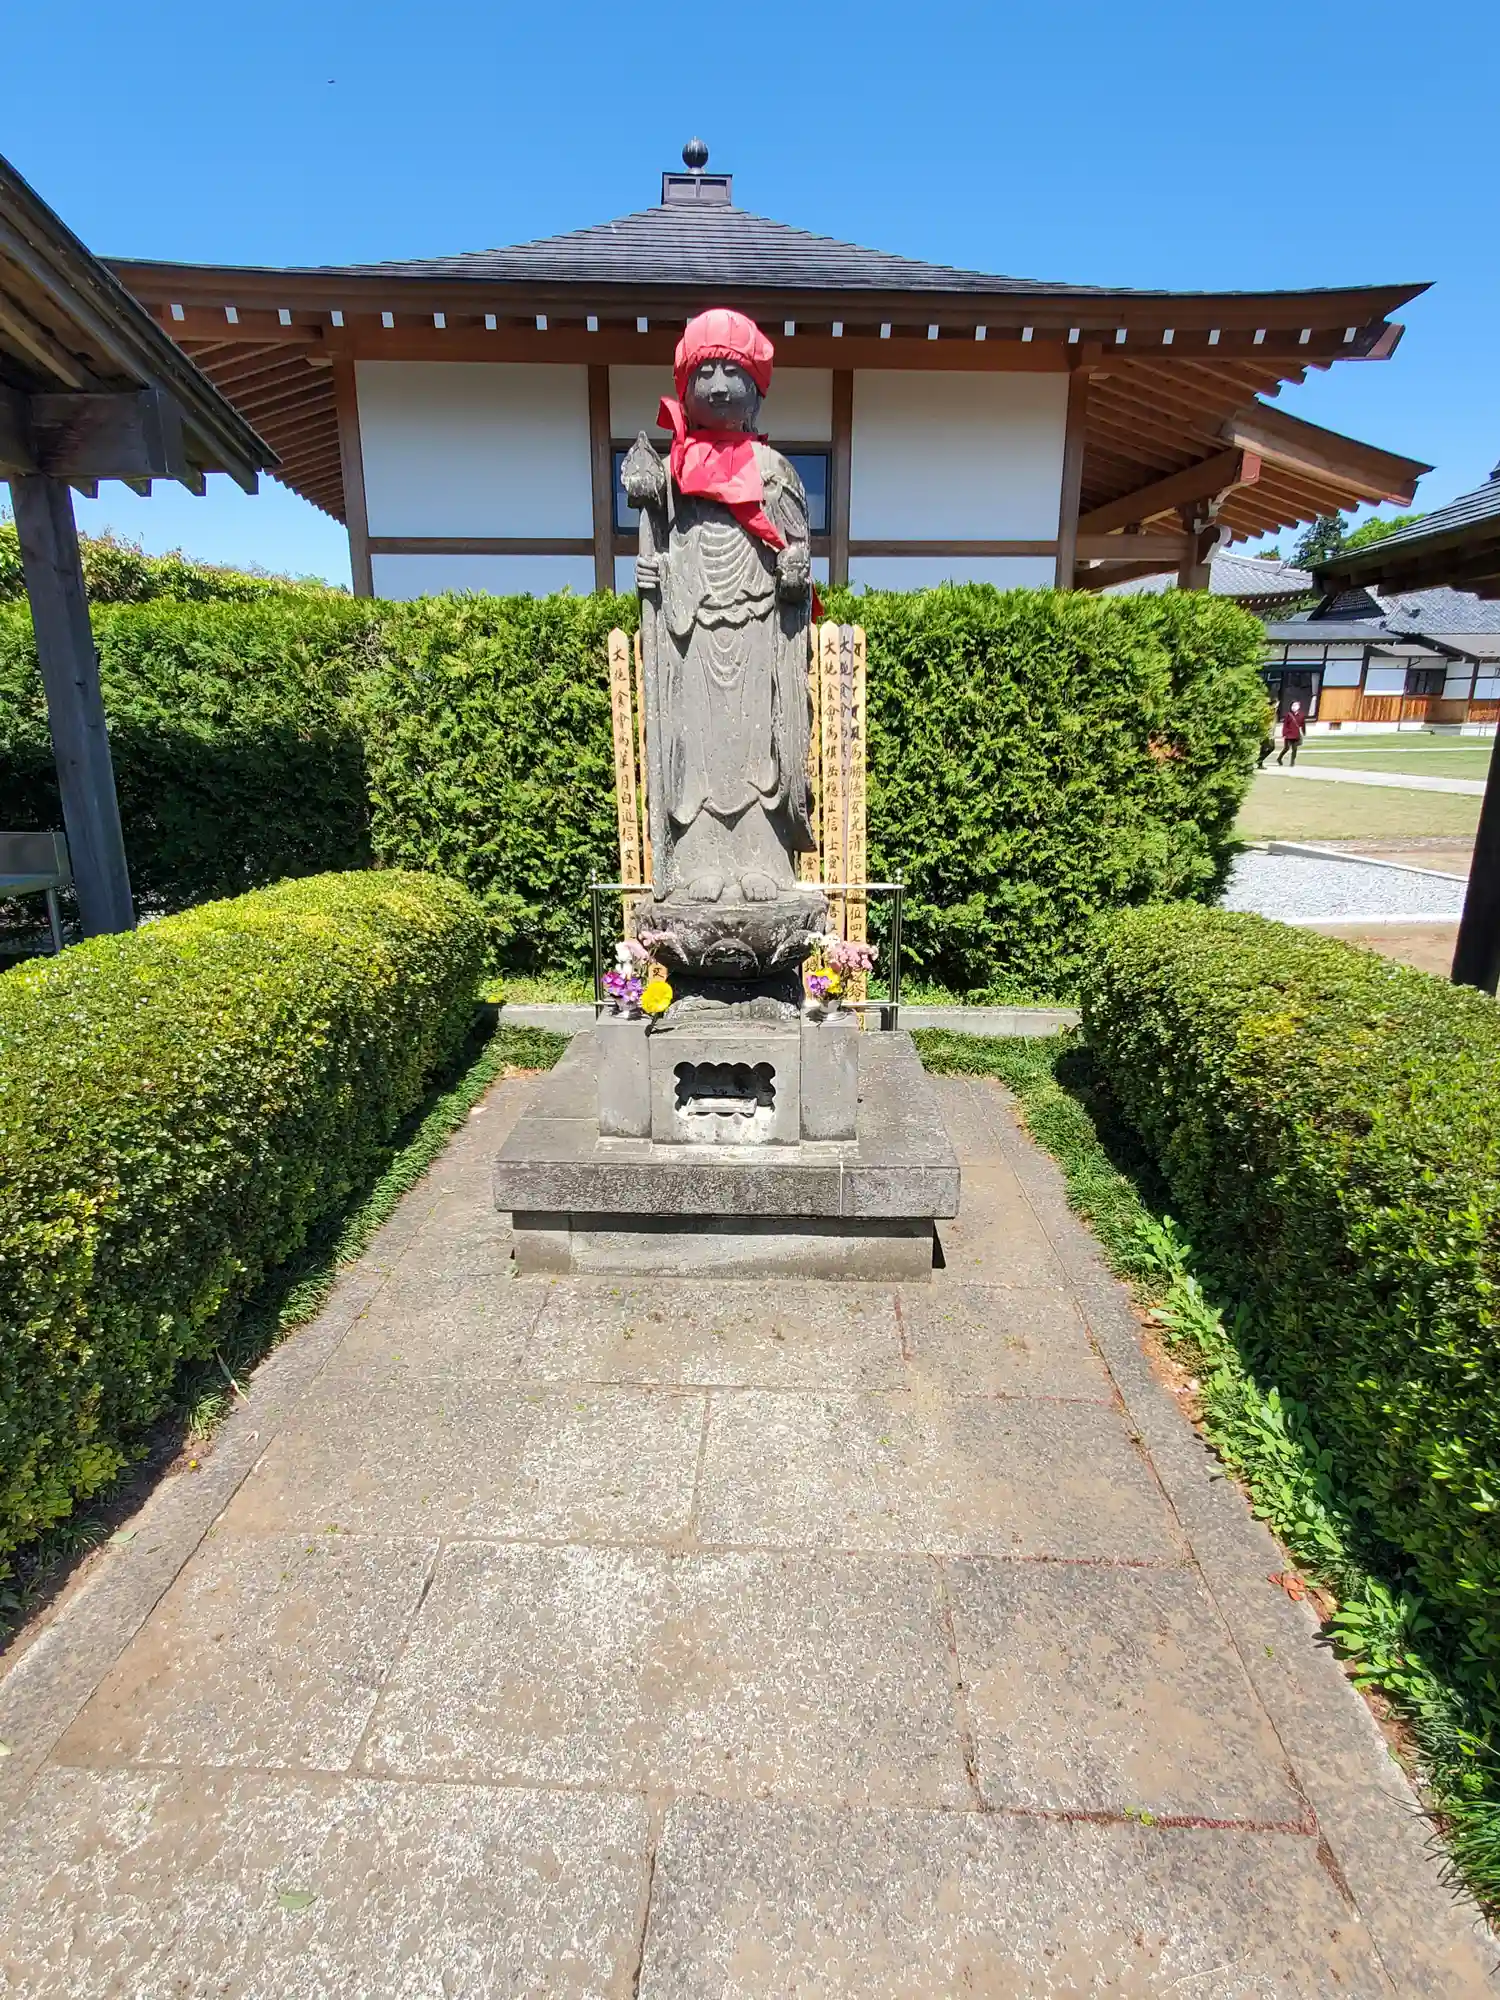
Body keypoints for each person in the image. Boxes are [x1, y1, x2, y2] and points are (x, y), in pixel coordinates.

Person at [1276, 702, 1306, 766]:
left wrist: (1304, 732)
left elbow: (1303, 724)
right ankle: (1279, 758)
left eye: (1295, 705)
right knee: (1286, 748)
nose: (1294, 707)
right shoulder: (1288, 715)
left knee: (1294, 749)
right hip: (1288, 735)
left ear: (1299, 706)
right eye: (1293, 705)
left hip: (1296, 735)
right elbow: (1285, 725)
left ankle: (1292, 762)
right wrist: (1284, 734)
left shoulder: (1301, 715)